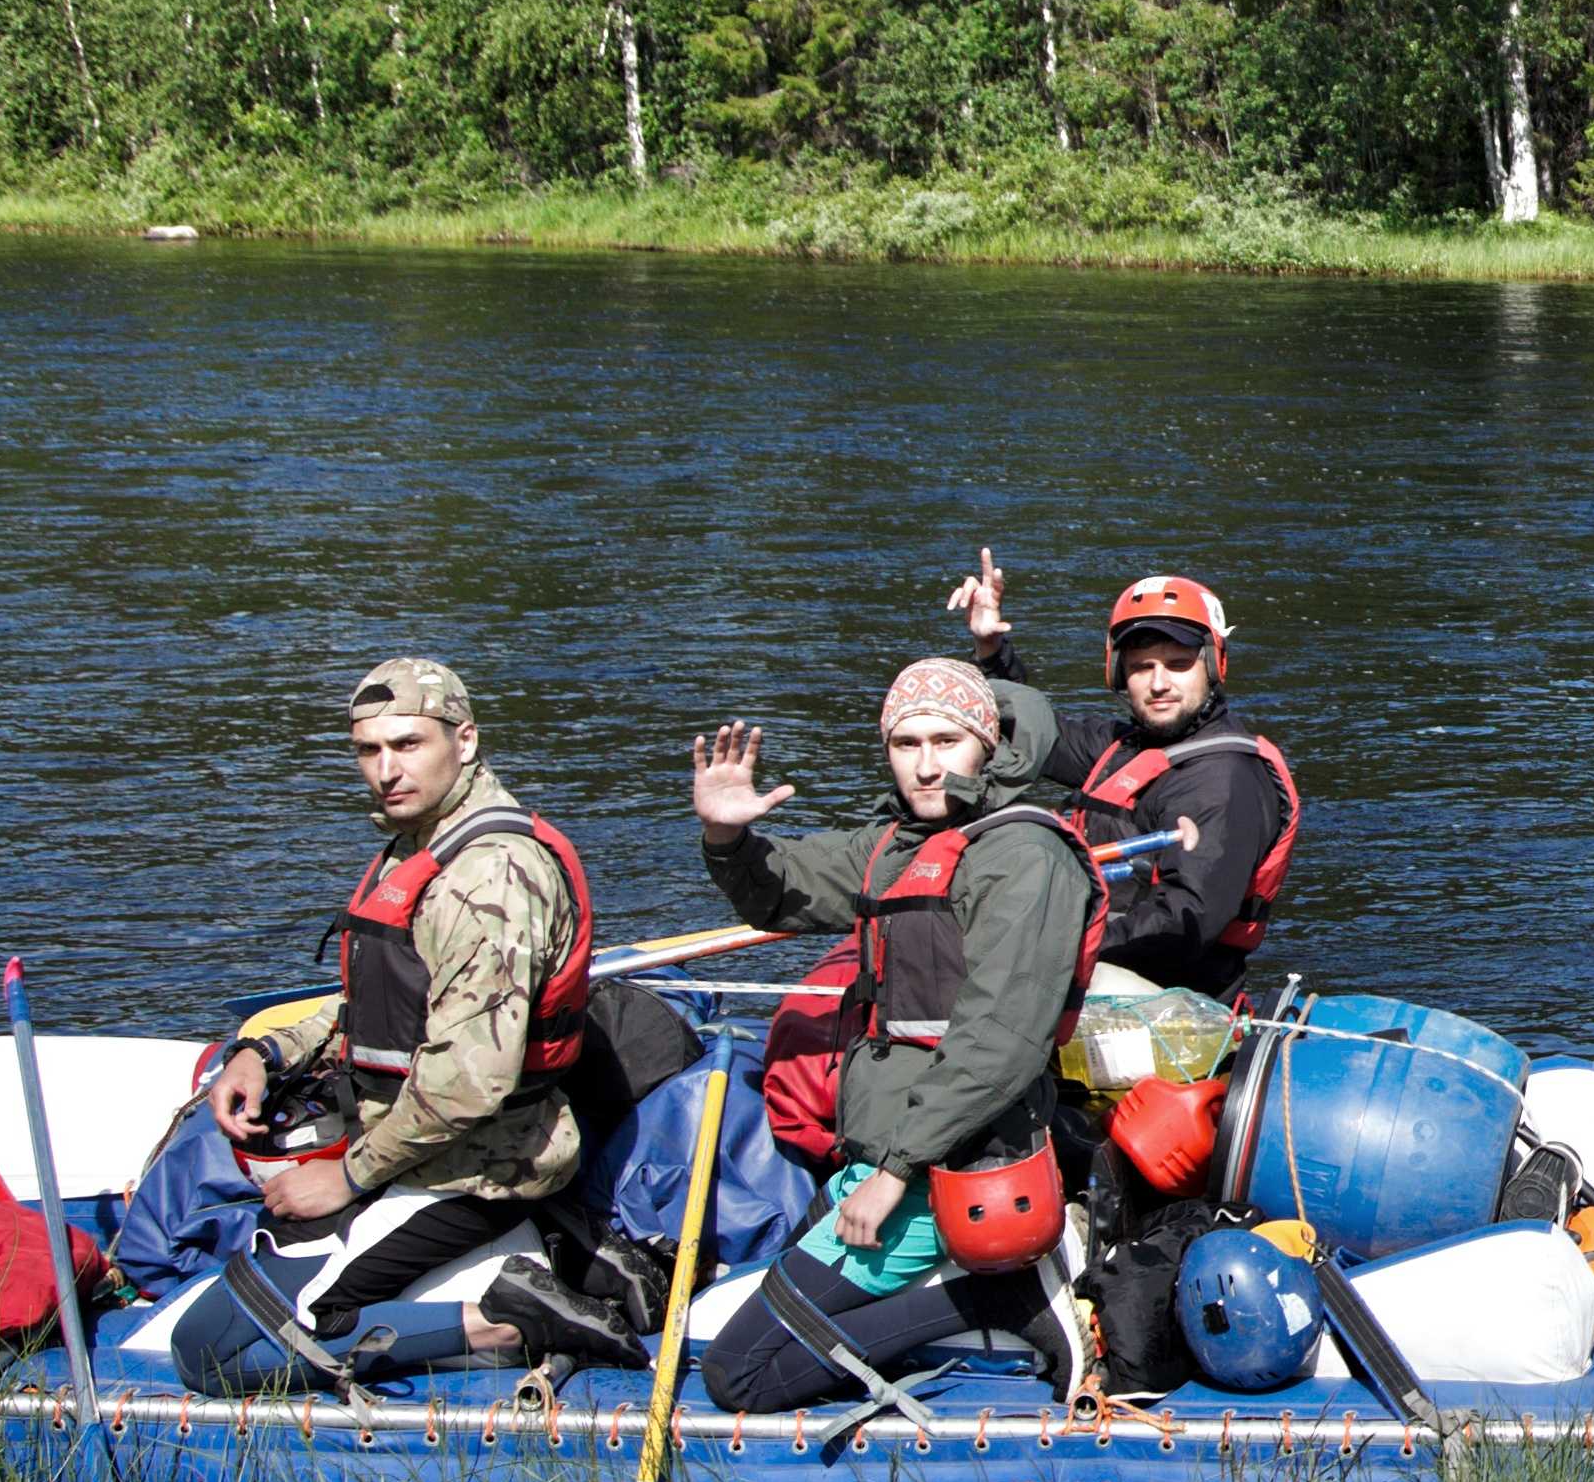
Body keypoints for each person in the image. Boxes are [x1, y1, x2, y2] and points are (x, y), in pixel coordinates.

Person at [158, 657, 630, 1391]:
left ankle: (515, 1319)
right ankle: (553, 1261)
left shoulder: (488, 878)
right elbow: (371, 1006)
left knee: (214, 1360)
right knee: (207, 1332)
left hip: (482, 1168)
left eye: (408, 745)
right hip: (411, 1150)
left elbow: (470, 1080)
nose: (385, 770)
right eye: (368, 750)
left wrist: (344, 1177)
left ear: (465, 740)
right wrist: (261, 1051)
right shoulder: (420, 843)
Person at [678, 657, 1105, 1419]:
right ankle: (977, 1290)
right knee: (774, 1313)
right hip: (890, 1146)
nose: (929, 764)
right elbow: (782, 886)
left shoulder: (1026, 857)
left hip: (958, 1162)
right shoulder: (899, 844)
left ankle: (1001, 1299)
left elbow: (999, 1041)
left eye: (948, 739)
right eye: (907, 743)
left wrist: (896, 1172)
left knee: (737, 1375)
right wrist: (727, 838)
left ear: (988, 744)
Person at [950, 550, 1300, 997]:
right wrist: (991, 650)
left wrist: (1051, 944)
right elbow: (1031, 732)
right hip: (1098, 959)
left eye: (1178, 664)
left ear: (1213, 666)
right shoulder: (1127, 746)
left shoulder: (1222, 780)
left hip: (1167, 999)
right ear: (1120, 672)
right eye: (1141, 667)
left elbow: (1181, 925)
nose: (1158, 684)